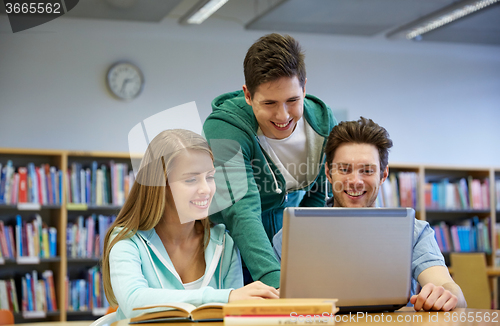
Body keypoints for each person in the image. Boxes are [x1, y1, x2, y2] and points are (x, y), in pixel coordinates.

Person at [273, 117, 466, 311]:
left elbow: (449, 288)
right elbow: (270, 296)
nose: (355, 181)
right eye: (344, 169)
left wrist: (447, 295)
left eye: (366, 170)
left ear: (383, 175)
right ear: (329, 174)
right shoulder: (294, 233)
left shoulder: (413, 231)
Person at [203, 33, 337, 288]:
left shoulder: (322, 124)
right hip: (233, 253)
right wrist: (276, 284)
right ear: (248, 95)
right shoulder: (224, 128)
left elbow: (317, 196)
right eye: (269, 103)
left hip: (291, 252)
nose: (283, 115)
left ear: (305, 88)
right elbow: (241, 211)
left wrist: (300, 259)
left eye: (293, 100)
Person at [102, 129, 279, 319]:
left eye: (210, 177)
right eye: (191, 179)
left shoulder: (224, 241)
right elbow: (133, 302)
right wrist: (225, 297)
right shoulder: (127, 241)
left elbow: (232, 317)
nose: (206, 189)